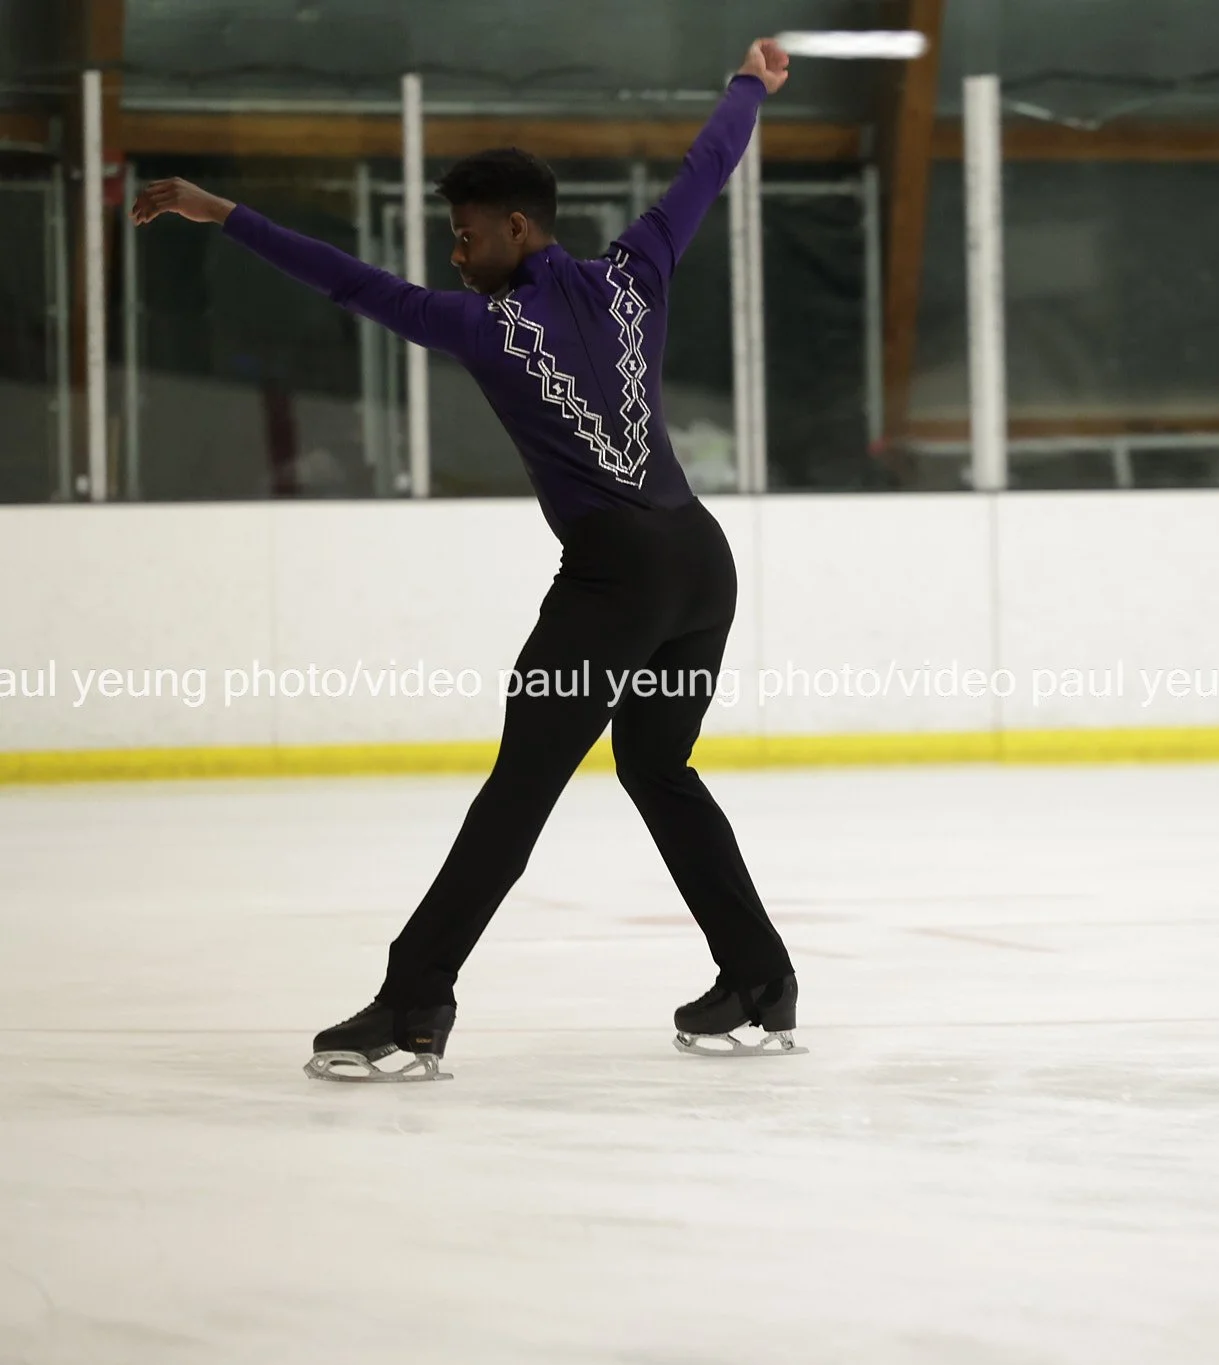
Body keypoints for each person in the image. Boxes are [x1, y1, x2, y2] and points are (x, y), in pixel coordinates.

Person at [133, 39, 803, 1080]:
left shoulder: (487, 326)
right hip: (699, 565)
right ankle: (759, 981)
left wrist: (226, 215)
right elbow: (705, 168)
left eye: (465, 234)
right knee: (657, 767)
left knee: (518, 790)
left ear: (517, 227)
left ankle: (412, 1005)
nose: (455, 254)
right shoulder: (637, 273)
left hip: (617, 579)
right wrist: (749, 85)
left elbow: (350, 283)